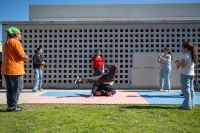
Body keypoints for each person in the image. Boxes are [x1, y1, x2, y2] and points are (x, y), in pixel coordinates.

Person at [1, 26, 29, 112]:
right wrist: (26, 57)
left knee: (9, 88)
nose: (21, 35)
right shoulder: (16, 42)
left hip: (6, 69)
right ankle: (13, 106)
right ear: (16, 34)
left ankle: (10, 106)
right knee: (18, 87)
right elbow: (21, 55)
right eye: (20, 33)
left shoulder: (6, 43)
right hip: (15, 69)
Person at [176, 41, 198, 110]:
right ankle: (191, 104)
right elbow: (193, 65)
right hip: (191, 74)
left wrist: (178, 64)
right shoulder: (192, 55)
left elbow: (183, 65)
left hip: (185, 74)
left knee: (185, 90)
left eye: (182, 48)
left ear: (185, 48)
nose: (182, 49)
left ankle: (187, 105)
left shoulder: (185, 55)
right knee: (191, 89)